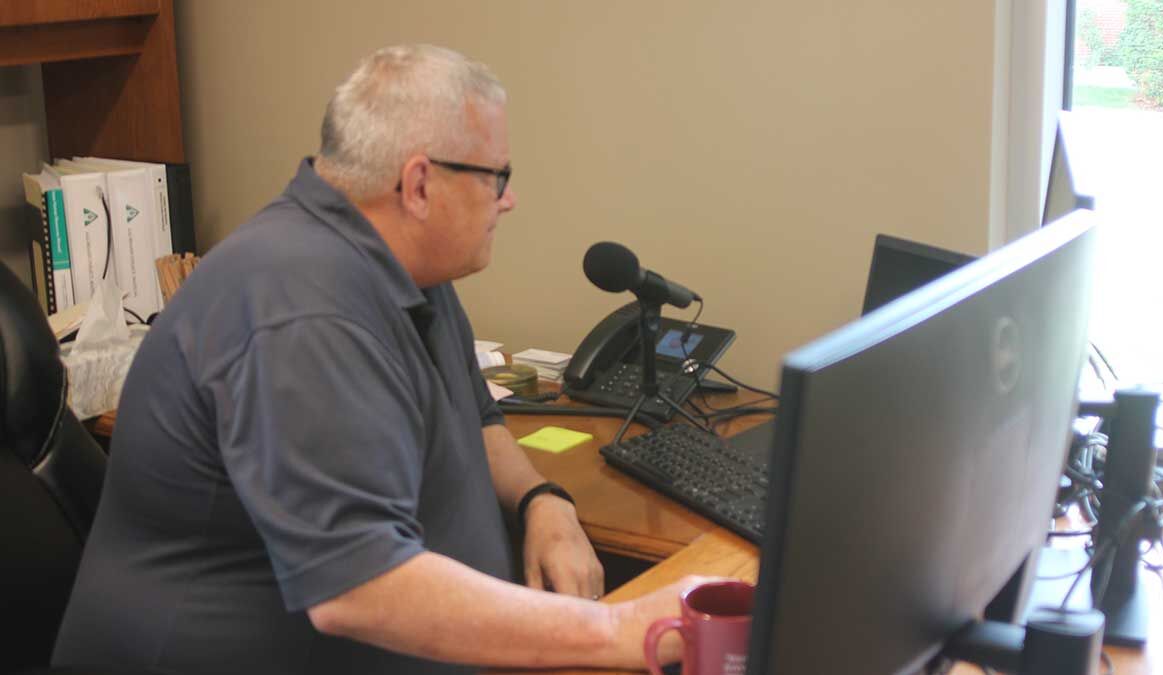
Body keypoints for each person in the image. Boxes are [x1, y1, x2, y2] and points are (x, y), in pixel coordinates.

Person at [53, 44, 703, 674]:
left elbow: (474, 415)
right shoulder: (298, 305)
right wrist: (618, 630)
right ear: (419, 184)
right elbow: (357, 586)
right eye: (496, 177)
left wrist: (544, 502)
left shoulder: (408, 263)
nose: (509, 199)